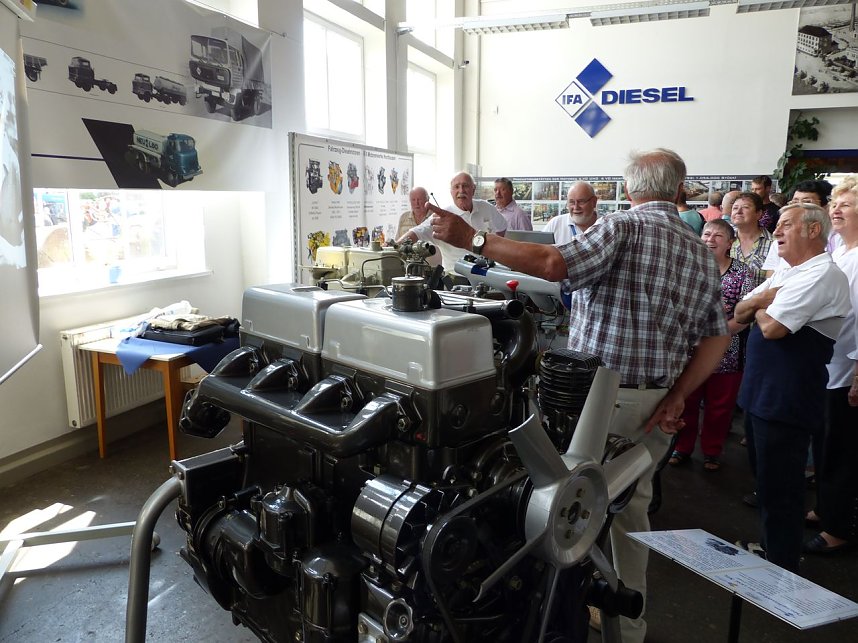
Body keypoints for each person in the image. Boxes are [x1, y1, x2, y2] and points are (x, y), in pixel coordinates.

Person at [427, 148, 730, 643]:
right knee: (630, 516)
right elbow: (717, 336)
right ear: (678, 191)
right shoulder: (701, 251)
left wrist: (474, 238)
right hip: (656, 407)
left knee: (559, 512)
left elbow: (551, 263)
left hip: (594, 406)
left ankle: (551, 621)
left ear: (629, 189)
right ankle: (627, 628)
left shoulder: (620, 227)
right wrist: (679, 395)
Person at [734, 203, 851, 573]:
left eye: (786, 225)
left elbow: (772, 328)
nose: (777, 230)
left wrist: (760, 305)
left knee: (781, 485)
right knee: (766, 479)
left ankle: (780, 563)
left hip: (787, 397)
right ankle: (772, 548)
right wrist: (759, 302)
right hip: (762, 392)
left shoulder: (822, 275)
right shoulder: (789, 271)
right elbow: (739, 312)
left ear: (814, 231)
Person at [670, 219, 755, 471]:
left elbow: (745, 314)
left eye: (718, 236)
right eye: (707, 234)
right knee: (686, 402)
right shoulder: (688, 268)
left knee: (719, 407)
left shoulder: (743, 272)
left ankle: (712, 451)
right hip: (690, 350)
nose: (710, 239)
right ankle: (682, 447)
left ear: (730, 243)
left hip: (728, 352)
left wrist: (715, 337)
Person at [804, 175, 858, 555]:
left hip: (847, 372)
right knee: (826, 446)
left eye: (847, 204)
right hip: (828, 368)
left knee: (842, 451)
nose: (836, 209)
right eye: (835, 203)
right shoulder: (839, 250)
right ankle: (826, 508)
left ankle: (838, 529)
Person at [398, 171, 507, 275]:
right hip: (456, 279)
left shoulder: (486, 207)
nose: (461, 190)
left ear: (473, 190)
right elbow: (417, 231)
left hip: (488, 276)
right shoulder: (442, 215)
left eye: (465, 186)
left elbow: (502, 227)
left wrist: (495, 251)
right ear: (451, 192)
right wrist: (394, 247)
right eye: (456, 187)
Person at [761, 179, 833, 274]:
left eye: (807, 203)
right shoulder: (780, 242)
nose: (798, 207)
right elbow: (770, 277)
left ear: (826, 207)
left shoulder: (837, 238)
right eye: (795, 202)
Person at [729, 192, 771, 284]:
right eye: (735, 208)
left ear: (759, 214)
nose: (738, 211)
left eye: (745, 207)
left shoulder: (773, 244)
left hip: (759, 297)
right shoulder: (725, 239)